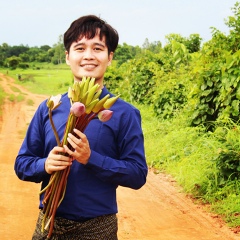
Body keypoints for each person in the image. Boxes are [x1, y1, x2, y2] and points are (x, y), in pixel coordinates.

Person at [14, 15, 148, 240]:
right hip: (49, 222)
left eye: (98, 48)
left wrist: (90, 158)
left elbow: (137, 174)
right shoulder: (50, 108)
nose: (88, 56)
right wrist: (45, 164)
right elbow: (22, 164)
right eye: (80, 48)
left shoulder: (124, 113)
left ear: (110, 57)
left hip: (98, 228)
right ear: (67, 57)